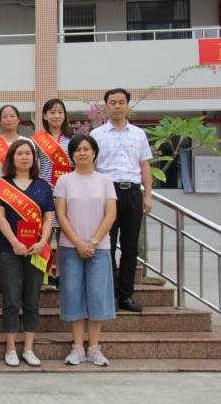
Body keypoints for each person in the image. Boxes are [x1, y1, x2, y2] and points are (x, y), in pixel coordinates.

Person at [0, 139, 54, 368]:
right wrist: (15, 242)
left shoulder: (43, 186)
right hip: (9, 249)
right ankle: (10, 349)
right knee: (11, 300)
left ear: (34, 158)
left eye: (28, 153)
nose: (24, 157)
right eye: (19, 153)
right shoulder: (1, 185)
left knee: (32, 300)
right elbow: (0, 218)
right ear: (11, 158)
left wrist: (43, 242)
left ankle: (28, 348)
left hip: (37, 249)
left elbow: (48, 218)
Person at [55, 134, 117, 366]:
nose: (82, 153)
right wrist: (79, 243)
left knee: (97, 295)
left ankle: (94, 348)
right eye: (77, 150)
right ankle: (78, 347)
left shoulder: (105, 181)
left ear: (94, 153)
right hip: (71, 247)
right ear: (71, 155)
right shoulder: (64, 181)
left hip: (99, 249)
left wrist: (93, 243)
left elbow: (110, 214)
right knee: (73, 295)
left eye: (86, 149)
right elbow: (61, 215)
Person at [89, 88, 153, 313]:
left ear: (127, 106)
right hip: (107, 193)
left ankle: (126, 295)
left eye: (121, 102)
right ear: (106, 106)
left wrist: (148, 195)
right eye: (113, 102)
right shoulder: (97, 134)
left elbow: (145, 166)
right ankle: (112, 294)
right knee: (106, 246)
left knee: (130, 247)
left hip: (132, 192)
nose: (117, 106)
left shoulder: (138, 134)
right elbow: (92, 167)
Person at [32, 98, 73, 287]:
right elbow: (33, 165)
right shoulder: (36, 140)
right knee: (45, 234)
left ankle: (61, 274)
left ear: (64, 115)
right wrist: (41, 181)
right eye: (52, 112)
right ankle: (46, 272)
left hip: (68, 192)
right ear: (44, 115)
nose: (56, 116)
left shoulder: (72, 140)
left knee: (65, 234)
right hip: (46, 191)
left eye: (60, 112)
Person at [0, 105, 33, 179]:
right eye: (5, 117)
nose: (9, 119)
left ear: (18, 119)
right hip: (3, 185)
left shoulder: (28, 142)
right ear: (0, 122)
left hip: (25, 183)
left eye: (12, 116)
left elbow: (33, 166)